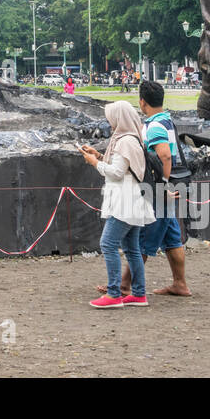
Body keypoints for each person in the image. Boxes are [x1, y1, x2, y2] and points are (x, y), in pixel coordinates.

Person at [101, 80, 193, 298]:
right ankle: (180, 284)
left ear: (142, 102)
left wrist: (161, 185)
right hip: (171, 186)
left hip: (161, 189)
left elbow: (164, 155)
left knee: (141, 239)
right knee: (172, 237)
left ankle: (124, 285)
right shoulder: (168, 121)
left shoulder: (154, 126)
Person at [80, 101, 157, 308]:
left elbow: (116, 172)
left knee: (108, 243)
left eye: (111, 117)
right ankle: (138, 294)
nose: (109, 121)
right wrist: (97, 156)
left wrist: (95, 163)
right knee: (132, 248)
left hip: (125, 200)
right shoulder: (132, 138)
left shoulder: (124, 141)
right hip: (134, 200)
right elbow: (121, 165)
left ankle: (114, 294)